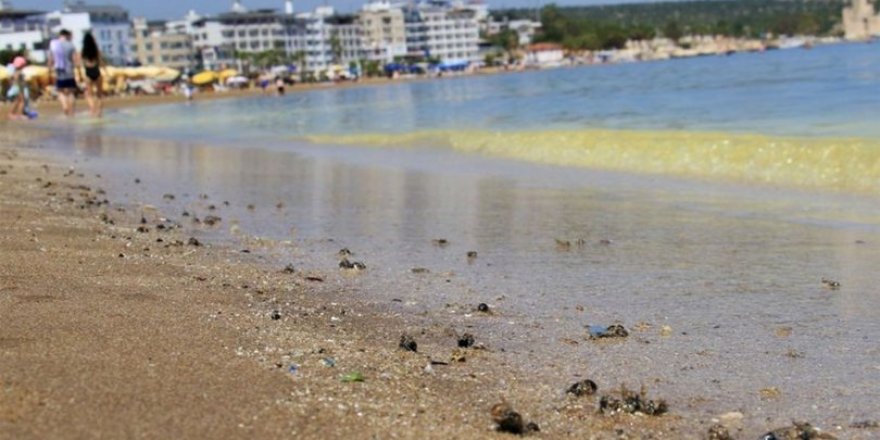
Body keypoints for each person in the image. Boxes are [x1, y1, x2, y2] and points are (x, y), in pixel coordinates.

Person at [47, 29, 79, 117]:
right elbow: (75, 60)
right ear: (66, 35)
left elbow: (51, 59)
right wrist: (78, 70)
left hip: (59, 71)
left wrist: (49, 70)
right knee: (71, 92)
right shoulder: (71, 45)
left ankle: (65, 106)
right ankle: (72, 112)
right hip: (69, 70)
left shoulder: (54, 45)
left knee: (61, 91)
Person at [80, 32, 104, 117]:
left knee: (89, 95)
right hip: (97, 71)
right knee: (99, 94)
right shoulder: (96, 50)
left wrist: (79, 75)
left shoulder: (83, 51)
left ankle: (93, 109)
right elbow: (101, 62)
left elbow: (82, 63)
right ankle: (99, 112)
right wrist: (106, 71)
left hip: (88, 72)